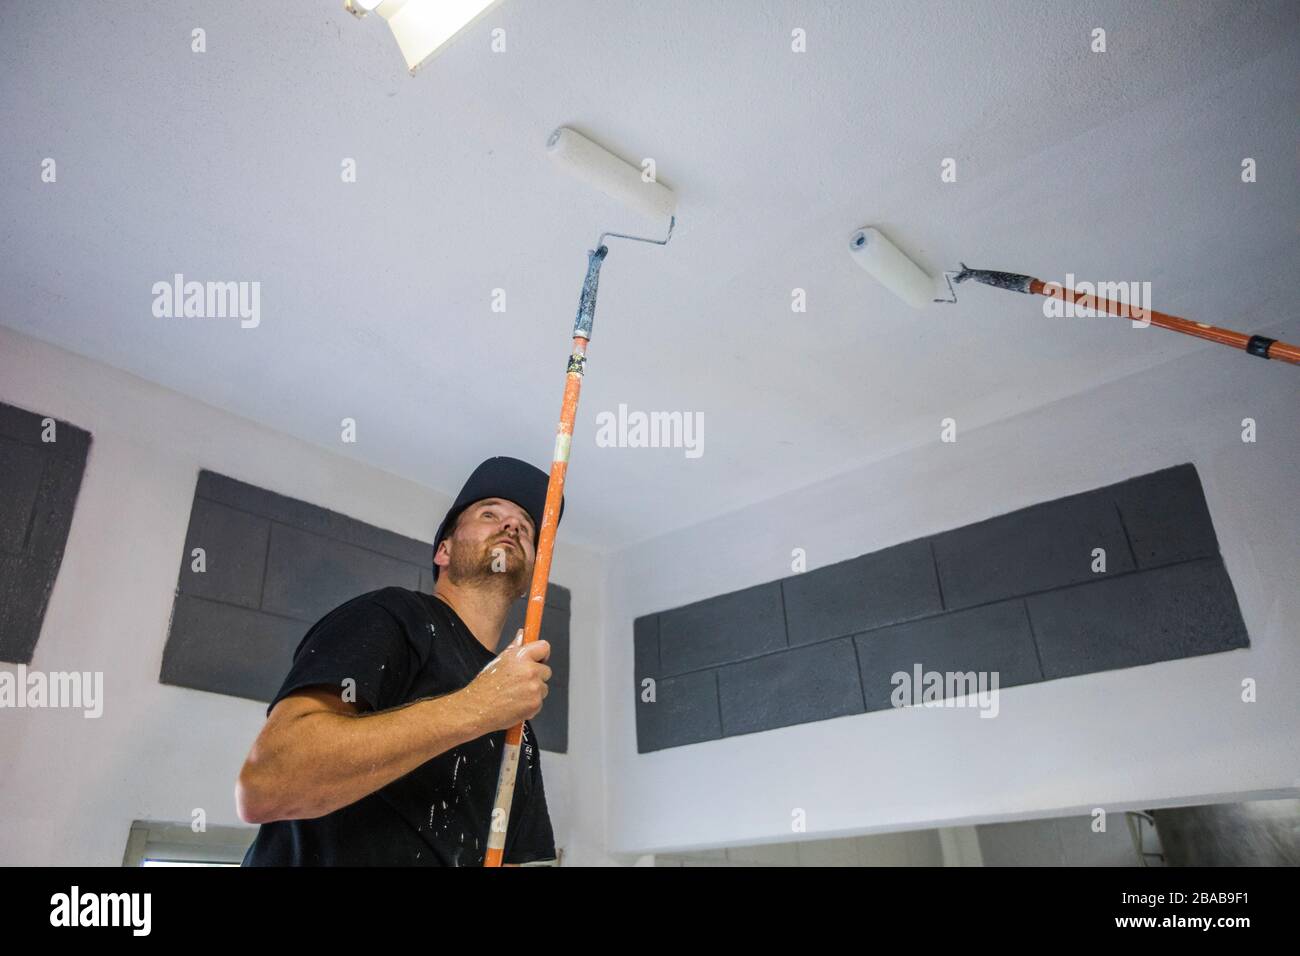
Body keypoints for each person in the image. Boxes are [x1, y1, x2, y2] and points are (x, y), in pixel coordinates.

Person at [237, 456, 561, 866]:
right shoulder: (393, 617)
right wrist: (478, 707)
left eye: (526, 527)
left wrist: (497, 706)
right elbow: (268, 784)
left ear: (530, 577)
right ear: (444, 550)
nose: (512, 525)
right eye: (489, 513)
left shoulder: (518, 725)